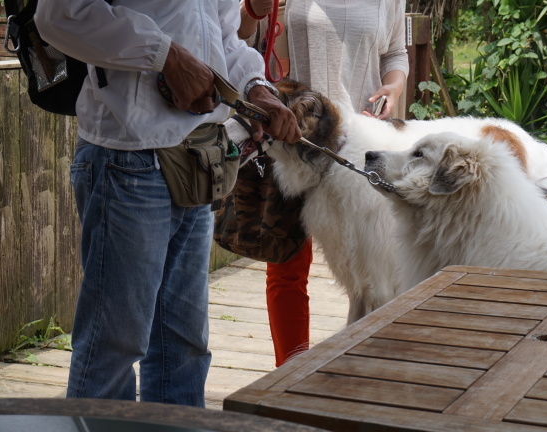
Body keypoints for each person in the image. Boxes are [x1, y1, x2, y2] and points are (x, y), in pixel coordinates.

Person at [34, 0, 301, 406]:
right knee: (115, 346)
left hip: (198, 156)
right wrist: (165, 54)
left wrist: (256, 88)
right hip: (128, 156)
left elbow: (224, 36)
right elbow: (60, 16)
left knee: (184, 346)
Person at [239, 0, 408, 367]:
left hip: (357, 147)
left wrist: (392, 90)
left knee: (366, 271)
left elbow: (396, 54)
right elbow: (240, 36)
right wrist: (253, 9)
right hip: (293, 141)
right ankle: (288, 374)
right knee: (287, 266)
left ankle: (363, 372)